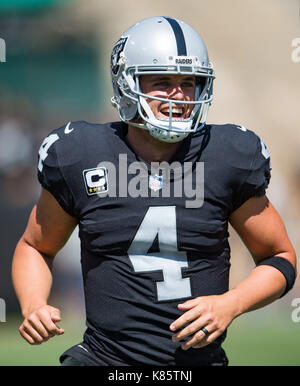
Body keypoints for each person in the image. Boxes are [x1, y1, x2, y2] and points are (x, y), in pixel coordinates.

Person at [12, 16, 297, 366]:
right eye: (162, 82)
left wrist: (231, 303)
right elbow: (35, 246)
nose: (178, 95)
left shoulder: (227, 155)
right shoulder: (81, 154)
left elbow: (279, 257)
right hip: (104, 360)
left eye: (188, 82)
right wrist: (34, 304)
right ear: (125, 83)